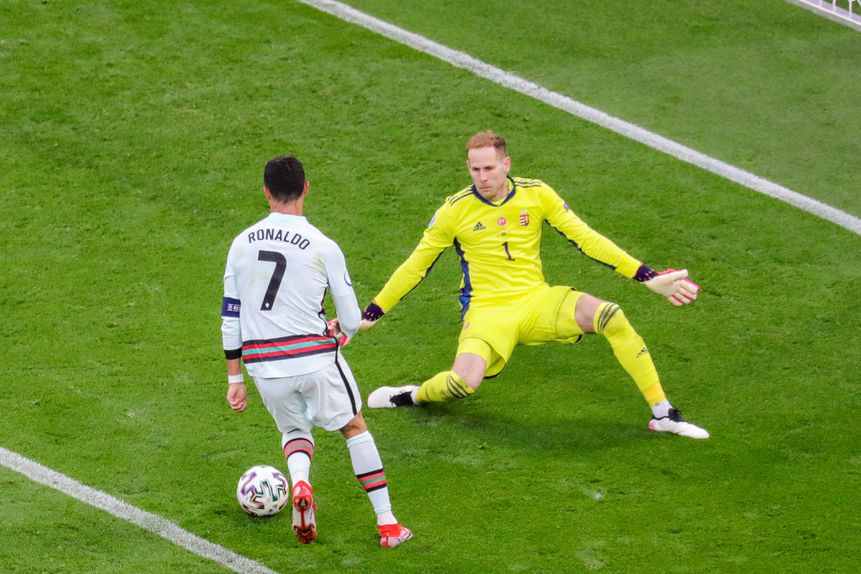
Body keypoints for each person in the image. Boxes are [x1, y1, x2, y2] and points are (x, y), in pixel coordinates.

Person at [346, 131, 708, 439]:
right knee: (462, 384)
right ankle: (412, 396)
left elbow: (587, 239)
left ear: (507, 164)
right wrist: (375, 311)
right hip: (487, 311)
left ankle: (664, 414)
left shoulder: (537, 194)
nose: (482, 177)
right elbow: (416, 266)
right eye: (475, 169)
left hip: (537, 301)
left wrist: (645, 275)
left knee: (610, 315)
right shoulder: (454, 210)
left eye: (489, 168)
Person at [220, 156, 413, 548]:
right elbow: (349, 318)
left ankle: (302, 484)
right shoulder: (324, 246)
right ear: (306, 188)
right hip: (313, 359)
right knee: (353, 426)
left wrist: (234, 378)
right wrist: (346, 331)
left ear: (266, 192)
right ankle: (388, 524)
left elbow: (230, 315)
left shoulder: (240, 244)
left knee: (294, 430)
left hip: (263, 367)